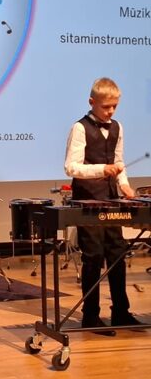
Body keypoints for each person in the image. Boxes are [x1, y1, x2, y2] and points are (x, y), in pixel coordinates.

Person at [64, 77, 142, 335]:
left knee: (117, 254)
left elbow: (118, 162)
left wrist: (125, 185)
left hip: (111, 200)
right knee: (93, 257)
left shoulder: (118, 127)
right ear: (91, 102)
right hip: (88, 201)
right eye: (106, 107)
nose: (110, 112)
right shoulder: (80, 128)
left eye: (114, 107)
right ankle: (90, 317)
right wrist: (101, 169)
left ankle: (121, 312)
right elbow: (71, 167)